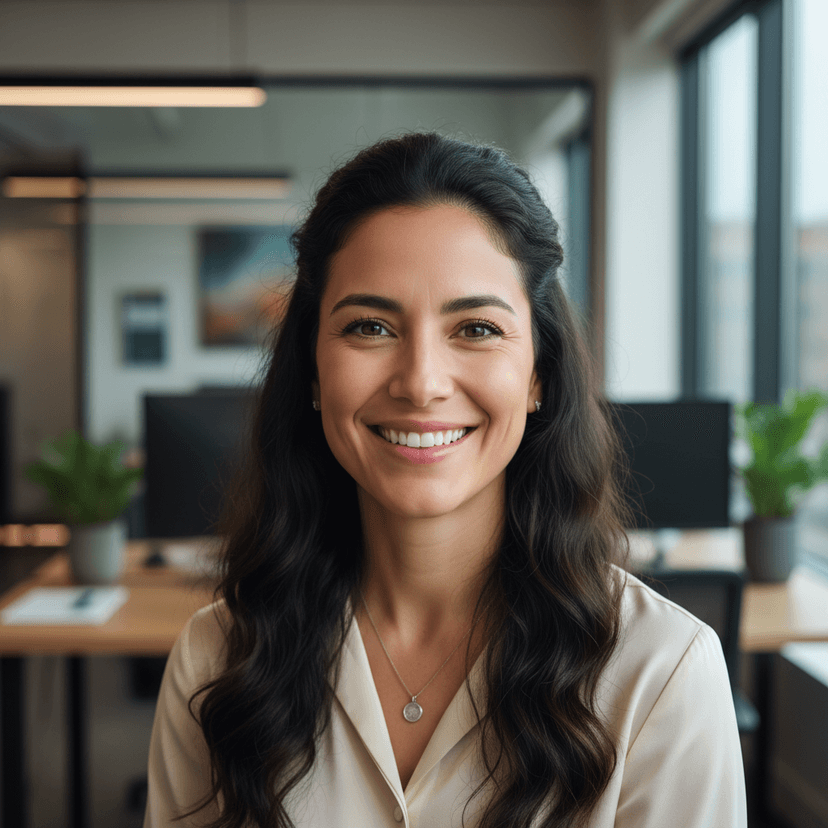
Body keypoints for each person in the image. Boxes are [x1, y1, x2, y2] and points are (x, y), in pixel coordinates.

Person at [144, 132, 748, 828]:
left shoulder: (661, 673)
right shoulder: (218, 656)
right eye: (370, 326)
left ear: (539, 376)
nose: (422, 383)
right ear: (312, 373)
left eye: (477, 329)